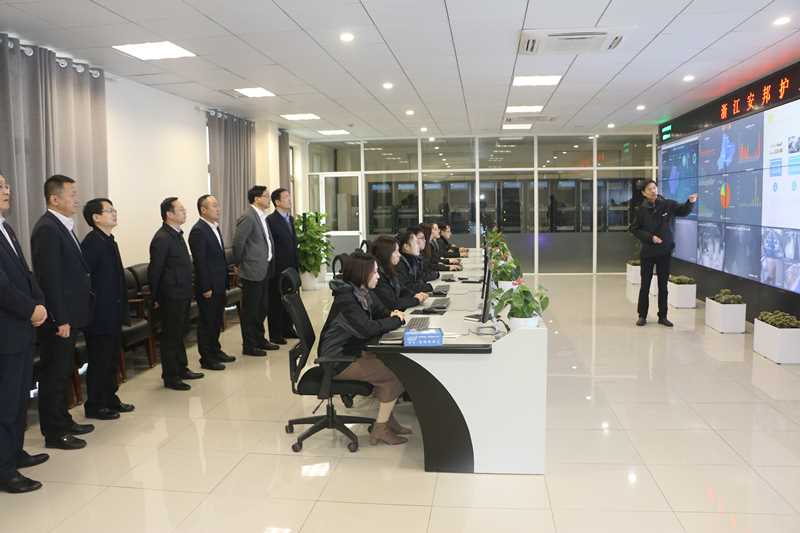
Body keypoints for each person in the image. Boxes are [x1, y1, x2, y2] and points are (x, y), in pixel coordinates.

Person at [318, 252, 411, 445]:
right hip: (337, 359)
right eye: (375, 272)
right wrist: (395, 320)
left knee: (399, 366)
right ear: (363, 274)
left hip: (353, 350)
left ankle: (387, 420)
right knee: (395, 375)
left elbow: (379, 311)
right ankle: (380, 429)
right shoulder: (346, 300)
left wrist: (391, 314)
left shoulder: (362, 292)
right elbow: (366, 328)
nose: (378, 276)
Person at [31, 175, 94, 450]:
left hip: (71, 313)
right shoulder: (47, 228)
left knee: (64, 370)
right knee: (54, 375)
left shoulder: (62, 226)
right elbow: (49, 279)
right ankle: (55, 432)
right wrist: (61, 318)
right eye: (71, 194)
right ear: (54, 199)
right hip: (60, 318)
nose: (76, 199)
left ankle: (64, 420)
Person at [0, 173, 49, 493]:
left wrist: (39, 302)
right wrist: (30, 309)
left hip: (20, 328)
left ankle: (15, 452)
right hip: (6, 331)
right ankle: (4, 470)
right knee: (5, 402)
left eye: (6, 185)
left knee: (18, 398)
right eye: (0, 187)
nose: (7, 191)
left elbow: (25, 273)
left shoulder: (6, 228)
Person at [80, 198, 135, 420]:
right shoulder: (92, 243)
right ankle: (95, 405)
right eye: (109, 210)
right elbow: (85, 281)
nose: (114, 213)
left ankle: (110, 398)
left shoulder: (109, 241)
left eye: (114, 209)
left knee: (111, 359)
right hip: (99, 315)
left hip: (113, 311)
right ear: (96, 217)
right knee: (99, 361)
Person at [148, 197, 204, 390]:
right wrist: (155, 298)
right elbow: (155, 271)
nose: (184, 212)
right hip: (170, 295)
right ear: (169, 214)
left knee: (180, 333)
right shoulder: (162, 238)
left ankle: (181, 368)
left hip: (183, 293)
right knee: (171, 336)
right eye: (180, 209)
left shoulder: (177, 234)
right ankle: (171, 376)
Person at [630, 180, 697, 327]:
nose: (653, 191)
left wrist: (690, 202)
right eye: (649, 189)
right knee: (645, 285)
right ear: (644, 193)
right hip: (648, 252)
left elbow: (683, 211)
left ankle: (663, 316)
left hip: (665, 251)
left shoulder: (668, 204)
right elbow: (634, 229)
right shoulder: (640, 209)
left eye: (654, 188)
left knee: (663, 286)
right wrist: (650, 238)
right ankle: (642, 315)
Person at [188, 195, 235, 371]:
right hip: (208, 286)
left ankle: (216, 350)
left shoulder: (214, 227)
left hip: (219, 283)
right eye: (214, 206)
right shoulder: (198, 231)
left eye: (218, 205)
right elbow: (200, 262)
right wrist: (206, 286)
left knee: (216, 320)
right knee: (207, 322)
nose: (218, 209)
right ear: (203, 210)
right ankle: (207, 358)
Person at [233, 186, 279, 357]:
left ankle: (260, 339)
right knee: (251, 310)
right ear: (257, 198)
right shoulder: (248, 216)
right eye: (266, 196)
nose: (269, 199)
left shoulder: (262, 216)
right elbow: (239, 243)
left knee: (262, 308)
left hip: (264, 268)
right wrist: (239, 263)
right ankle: (249, 345)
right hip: (252, 270)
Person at [266, 187, 299, 345]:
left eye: (289, 196)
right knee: (276, 302)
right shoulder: (270, 221)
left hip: (291, 267)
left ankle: (288, 328)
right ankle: (276, 333)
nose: (289, 199)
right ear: (277, 202)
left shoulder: (290, 219)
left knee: (290, 299)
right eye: (286, 197)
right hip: (278, 268)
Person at [369, 235, 428, 311]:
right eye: (396, 251)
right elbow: (392, 303)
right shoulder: (377, 276)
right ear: (386, 253)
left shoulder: (389, 269)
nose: (399, 255)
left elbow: (402, 289)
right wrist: (416, 300)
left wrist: (415, 295)